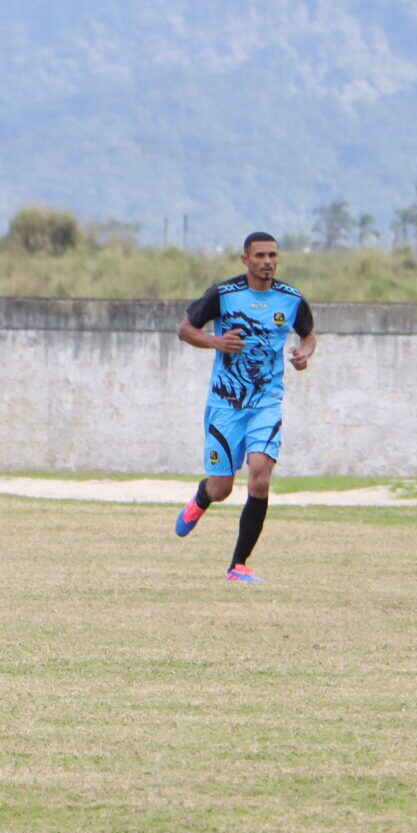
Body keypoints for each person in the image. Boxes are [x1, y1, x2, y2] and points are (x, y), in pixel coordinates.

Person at [172, 231, 315, 582]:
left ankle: (238, 565)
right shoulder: (223, 295)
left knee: (260, 477)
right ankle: (202, 499)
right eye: (260, 255)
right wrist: (216, 341)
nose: (268, 262)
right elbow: (185, 330)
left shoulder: (291, 299)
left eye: (273, 256)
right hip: (226, 404)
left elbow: (308, 335)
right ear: (245, 259)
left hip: (266, 403)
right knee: (222, 487)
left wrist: (303, 354)